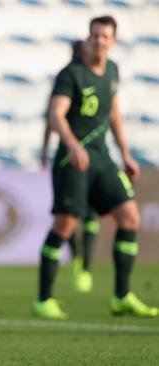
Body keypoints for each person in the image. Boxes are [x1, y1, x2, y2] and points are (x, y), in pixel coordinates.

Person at [34, 15, 157, 320]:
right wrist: (73, 145)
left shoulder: (112, 71)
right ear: (88, 39)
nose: (99, 41)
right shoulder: (71, 74)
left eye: (105, 37)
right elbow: (56, 114)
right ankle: (43, 299)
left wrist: (126, 154)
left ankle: (122, 296)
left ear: (113, 41)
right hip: (71, 160)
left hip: (102, 158)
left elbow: (114, 114)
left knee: (130, 217)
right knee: (65, 226)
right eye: (95, 36)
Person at [40, 40, 101, 294]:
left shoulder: (92, 79)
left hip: (94, 156)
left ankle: (84, 264)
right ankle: (78, 260)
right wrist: (46, 148)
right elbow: (52, 118)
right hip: (69, 158)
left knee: (91, 214)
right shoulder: (66, 80)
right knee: (69, 217)